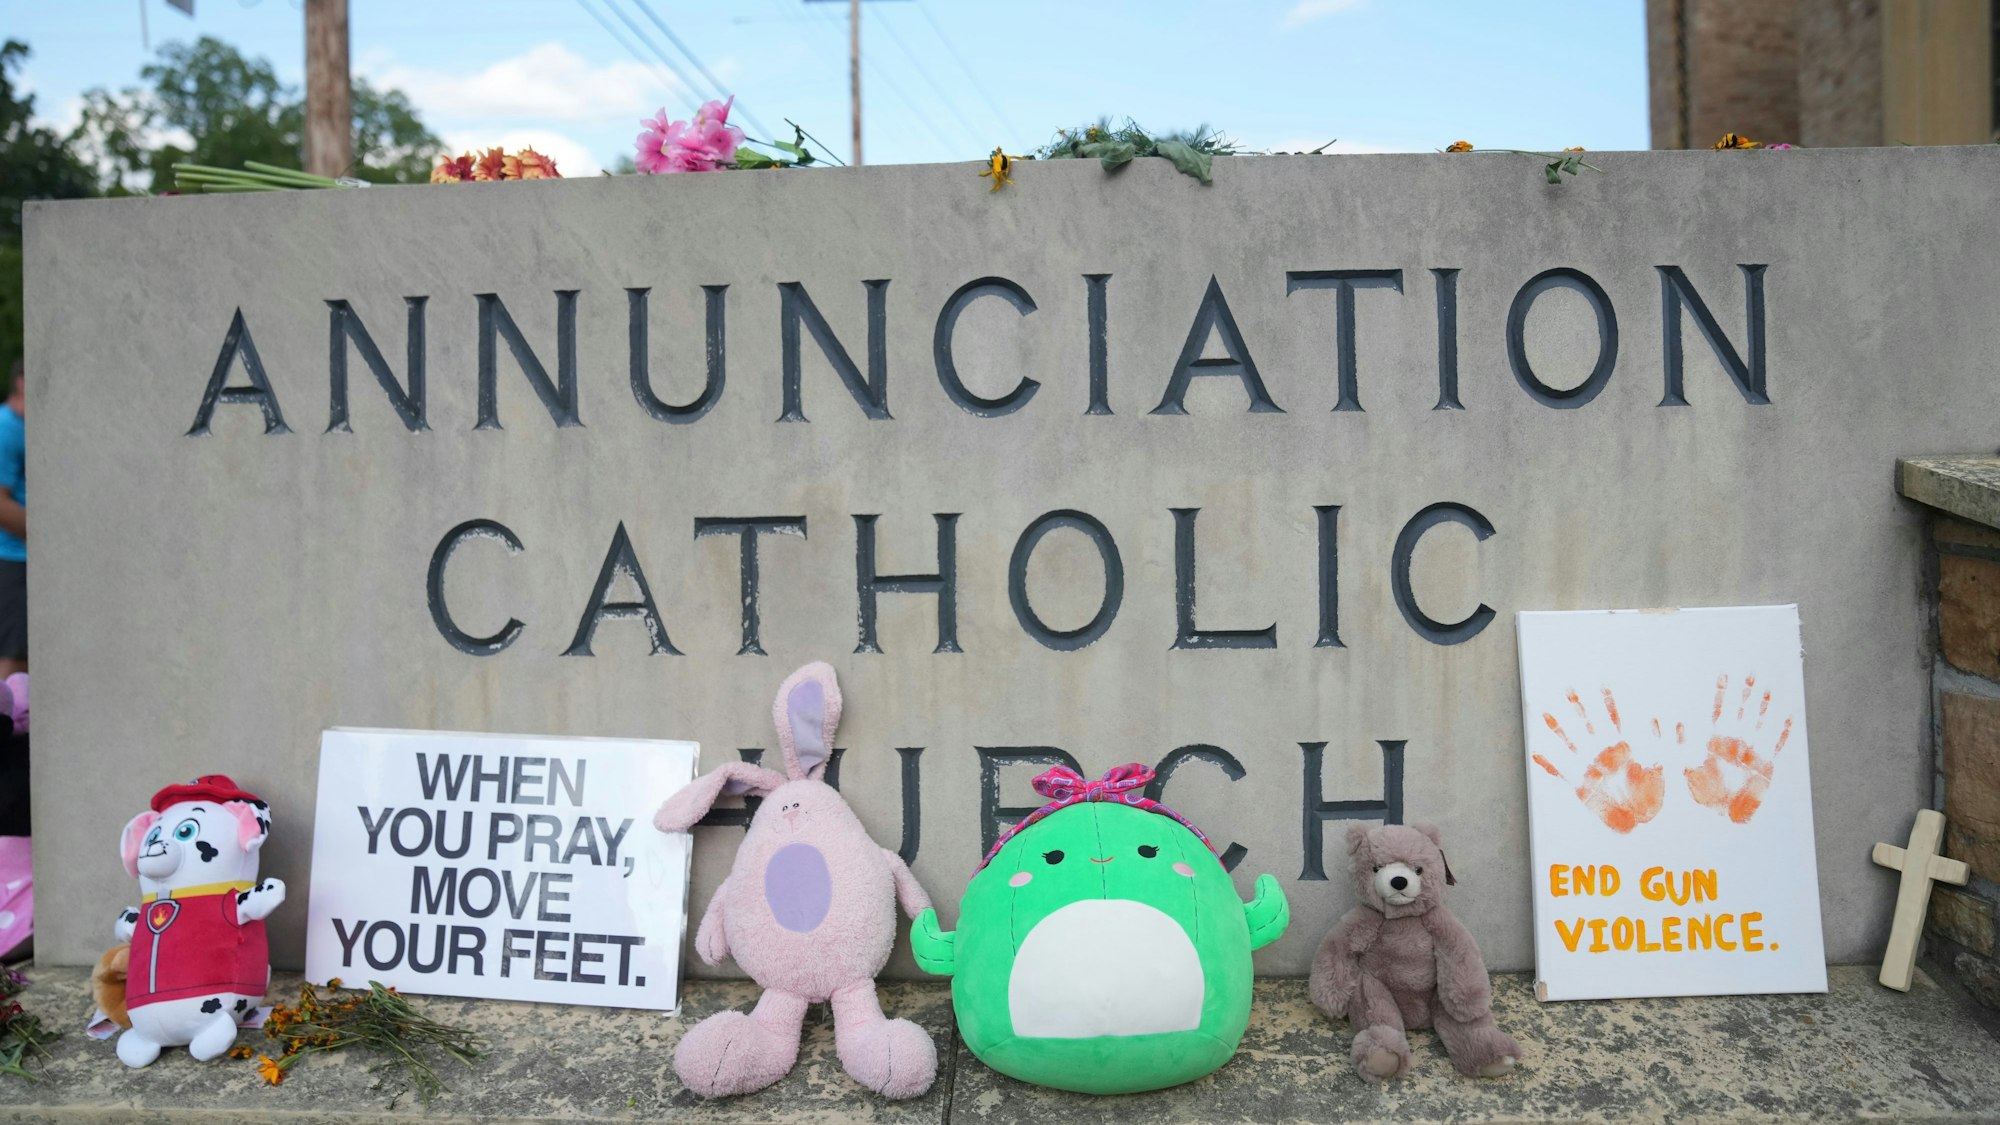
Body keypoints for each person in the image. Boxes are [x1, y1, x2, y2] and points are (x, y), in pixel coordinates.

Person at [0, 359, 24, 678]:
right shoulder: (6, 428)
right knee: (13, 661)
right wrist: (52, 537)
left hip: (26, 560)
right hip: (14, 560)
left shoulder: (24, 426)